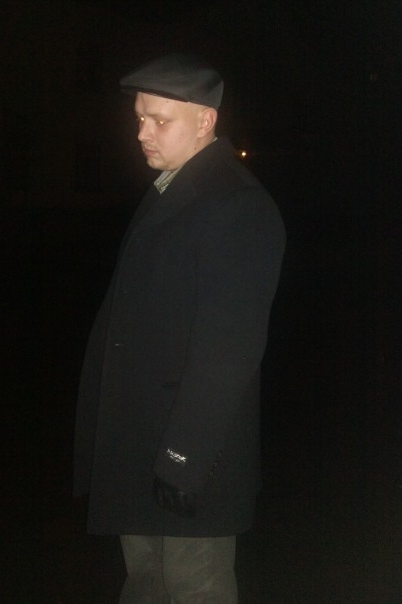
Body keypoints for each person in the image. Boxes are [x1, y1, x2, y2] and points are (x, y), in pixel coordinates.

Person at [73, 53, 285, 603]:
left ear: (205, 120)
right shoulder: (171, 188)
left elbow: (228, 352)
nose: (142, 133)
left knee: (194, 587)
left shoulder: (237, 204)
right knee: (145, 583)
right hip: (140, 441)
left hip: (187, 451)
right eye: (139, 118)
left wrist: (183, 459)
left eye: (159, 120)